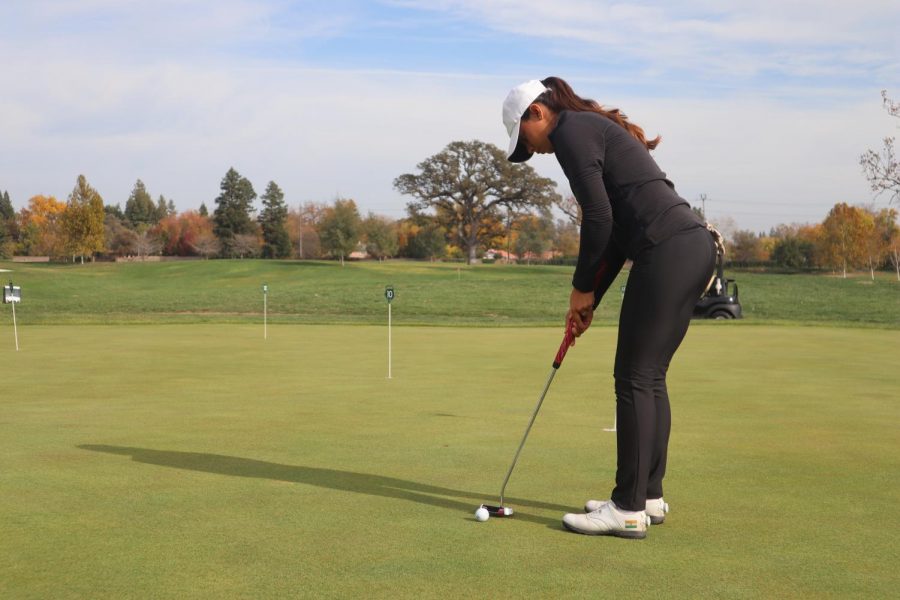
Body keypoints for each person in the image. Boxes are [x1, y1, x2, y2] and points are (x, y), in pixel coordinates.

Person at [502, 77, 720, 539]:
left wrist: (580, 286)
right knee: (650, 376)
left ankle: (626, 508)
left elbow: (598, 219)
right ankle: (647, 497)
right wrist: (589, 301)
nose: (531, 150)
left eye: (525, 139)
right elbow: (619, 234)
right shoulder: (588, 128)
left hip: (668, 248)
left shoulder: (570, 133)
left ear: (537, 114)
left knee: (634, 377)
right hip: (691, 247)